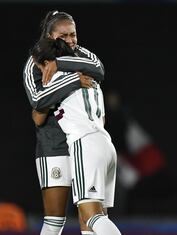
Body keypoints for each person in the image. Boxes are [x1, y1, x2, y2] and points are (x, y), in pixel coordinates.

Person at [23, 10, 105, 235]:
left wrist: (60, 67)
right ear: (50, 36)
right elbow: (38, 110)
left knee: (89, 220)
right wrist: (75, 79)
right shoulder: (35, 63)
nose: (70, 40)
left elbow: (99, 69)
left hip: (85, 143)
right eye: (64, 36)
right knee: (54, 221)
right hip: (54, 145)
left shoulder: (83, 55)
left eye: (73, 34)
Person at [30, 37, 122, 235]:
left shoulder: (57, 79)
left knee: (92, 217)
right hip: (105, 144)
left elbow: (38, 112)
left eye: (39, 65)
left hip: (84, 144)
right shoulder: (91, 77)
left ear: (48, 63)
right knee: (93, 221)